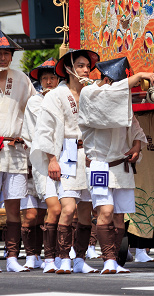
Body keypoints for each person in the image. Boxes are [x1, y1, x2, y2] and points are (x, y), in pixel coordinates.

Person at [78, 55, 154, 275]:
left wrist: (136, 146)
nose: (122, 91)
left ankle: (114, 260)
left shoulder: (120, 103)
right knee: (106, 210)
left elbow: (137, 131)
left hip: (121, 166)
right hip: (99, 165)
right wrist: (140, 76)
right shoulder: (90, 93)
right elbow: (108, 97)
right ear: (105, 80)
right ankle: (109, 260)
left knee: (120, 215)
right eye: (118, 84)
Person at [30, 48, 100, 275]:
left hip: (88, 153)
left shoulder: (91, 93)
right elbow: (45, 130)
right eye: (80, 65)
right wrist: (52, 159)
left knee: (87, 209)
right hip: (66, 152)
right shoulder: (55, 96)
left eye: (87, 66)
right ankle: (60, 257)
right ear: (69, 69)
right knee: (67, 208)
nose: (86, 70)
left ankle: (79, 258)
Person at [0, 29, 35, 272]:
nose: (3, 57)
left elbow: (35, 110)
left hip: (14, 149)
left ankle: (12, 257)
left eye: (6, 53)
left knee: (14, 206)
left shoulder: (21, 79)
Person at [21, 58, 60, 271]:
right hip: (39, 161)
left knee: (57, 209)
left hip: (61, 159)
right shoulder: (36, 102)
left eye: (52, 77)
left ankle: (53, 254)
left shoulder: (63, 98)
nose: (48, 81)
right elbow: (40, 131)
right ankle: (32, 255)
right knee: (33, 213)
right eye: (44, 78)